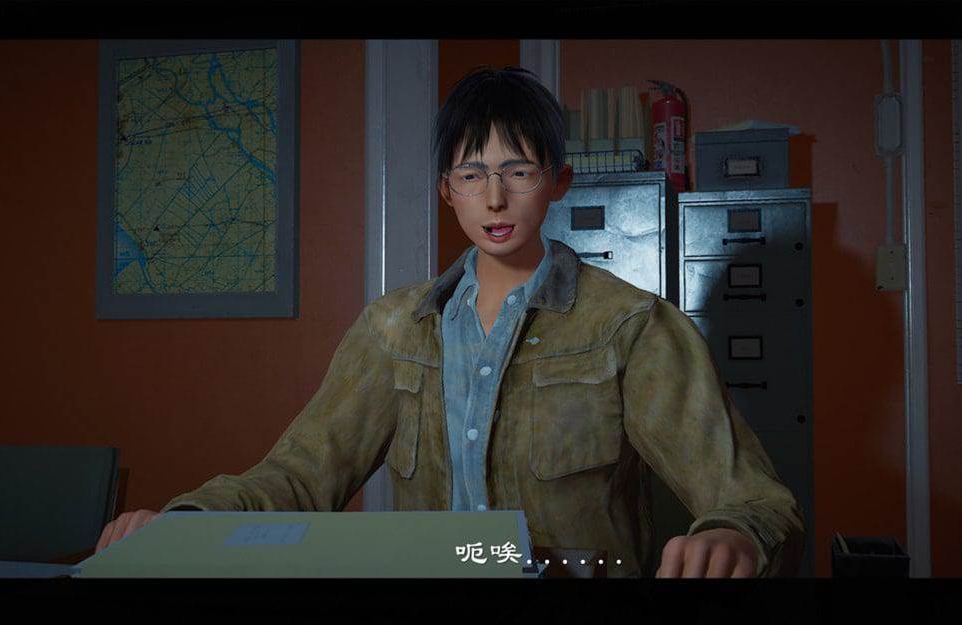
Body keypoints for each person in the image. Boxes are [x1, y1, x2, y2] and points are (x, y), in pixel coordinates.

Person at [96, 67, 804, 578]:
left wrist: (734, 534)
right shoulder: (393, 328)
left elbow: (750, 496)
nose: (494, 198)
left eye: (519, 171)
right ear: (447, 190)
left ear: (558, 181)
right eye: (471, 174)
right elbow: (299, 474)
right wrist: (189, 521)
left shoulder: (632, 325)